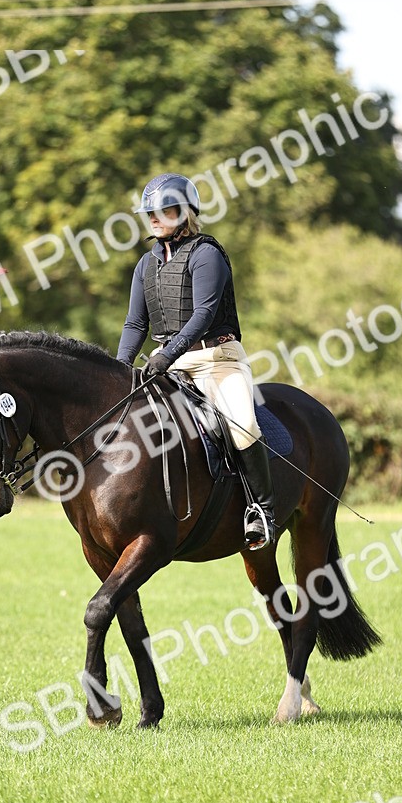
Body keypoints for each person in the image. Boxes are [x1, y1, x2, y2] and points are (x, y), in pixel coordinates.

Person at [116, 172, 276, 550]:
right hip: (168, 364)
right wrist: (120, 370)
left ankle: (261, 510)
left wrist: (167, 354)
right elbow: (135, 323)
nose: (154, 218)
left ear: (184, 212)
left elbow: (203, 313)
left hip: (217, 359)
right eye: (149, 212)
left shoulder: (207, 254)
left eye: (162, 210)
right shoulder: (145, 265)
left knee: (242, 424)